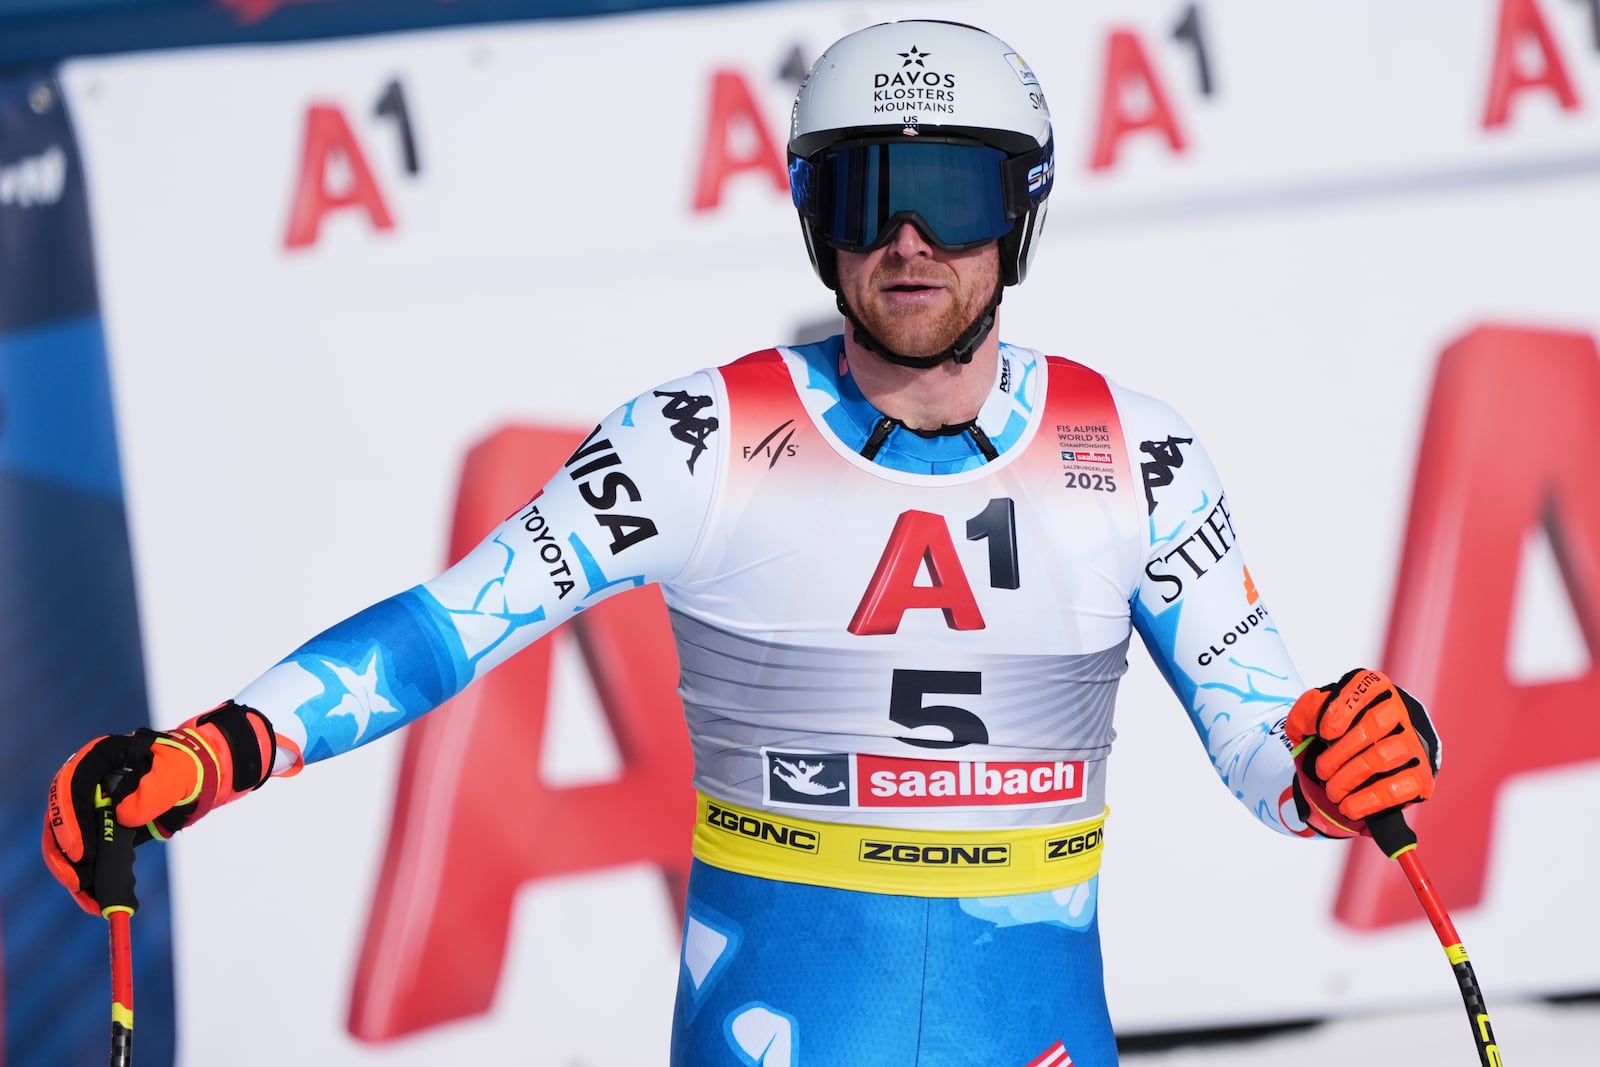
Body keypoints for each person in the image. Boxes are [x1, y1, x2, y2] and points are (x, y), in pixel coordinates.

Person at [43, 19, 1442, 1065]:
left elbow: (1271, 748)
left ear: (1018, 217)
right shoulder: (696, 441)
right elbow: (452, 625)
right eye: (859, 195)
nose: (905, 240)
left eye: (949, 195)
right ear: (811, 225)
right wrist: (215, 750)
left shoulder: (1139, 451)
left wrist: (1341, 752)